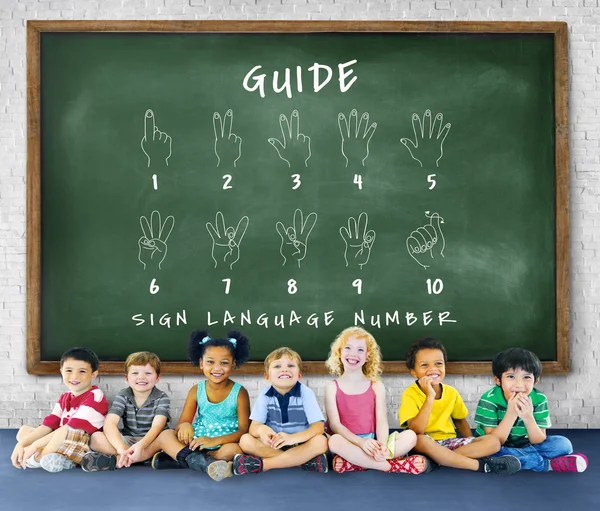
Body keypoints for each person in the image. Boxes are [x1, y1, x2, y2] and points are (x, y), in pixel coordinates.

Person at [399, 337, 521, 475]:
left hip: (449, 443)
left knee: (494, 442)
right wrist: (429, 397)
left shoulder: (451, 392)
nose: (433, 369)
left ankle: (440, 460)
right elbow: (416, 430)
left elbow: (460, 421)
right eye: (424, 365)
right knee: (419, 440)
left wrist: (471, 442)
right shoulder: (409, 394)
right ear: (414, 372)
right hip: (425, 444)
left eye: (438, 363)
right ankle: (480, 466)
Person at [325, 326, 433, 474]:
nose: (353, 354)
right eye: (348, 348)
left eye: (360, 350)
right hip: (349, 442)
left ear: (368, 356)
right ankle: (390, 466)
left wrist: (381, 446)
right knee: (334, 441)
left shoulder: (376, 386)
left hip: (373, 442)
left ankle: (357, 464)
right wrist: (361, 443)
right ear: (339, 352)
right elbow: (335, 425)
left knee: (411, 436)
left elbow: (381, 420)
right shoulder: (332, 387)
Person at [150, 329, 251, 482]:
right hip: (197, 442)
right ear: (201, 364)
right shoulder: (196, 390)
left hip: (224, 442)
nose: (217, 368)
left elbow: (244, 430)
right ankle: (204, 463)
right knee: (166, 435)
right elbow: (182, 423)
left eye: (224, 363)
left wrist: (215, 441)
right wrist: (184, 426)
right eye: (210, 362)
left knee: (234, 450)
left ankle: (186, 460)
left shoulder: (240, 392)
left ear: (233, 364)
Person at [474, 347, 588, 473]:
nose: (519, 385)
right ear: (498, 380)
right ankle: (546, 464)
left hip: (525, 444)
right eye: (511, 376)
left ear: (536, 380)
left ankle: (512, 460)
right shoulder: (489, 399)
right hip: (495, 446)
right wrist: (511, 414)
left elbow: (538, 439)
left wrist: (528, 417)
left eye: (526, 377)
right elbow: (494, 440)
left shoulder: (539, 399)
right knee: (485, 452)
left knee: (563, 444)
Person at [233, 347, 328, 475]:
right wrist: (262, 430)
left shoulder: (306, 393)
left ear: (299, 375)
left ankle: (264, 465)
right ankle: (303, 462)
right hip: (274, 445)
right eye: (277, 366)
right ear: (267, 376)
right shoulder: (265, 395)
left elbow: (318, 427)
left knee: (321, 442)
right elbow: (253, 428)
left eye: (290, 365)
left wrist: (292, 438)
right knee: (245, 440)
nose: (284, 369)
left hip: (301, 443)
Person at [11, 347, 108, 473]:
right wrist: (21, 444)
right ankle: (56, 457)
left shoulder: (95, 396)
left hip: (80, 444)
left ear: (93, 375)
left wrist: (34, 445)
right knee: (24, 431)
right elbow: (50, 424)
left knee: (62, 432)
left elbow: (70, 428)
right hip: (60, 440)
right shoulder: (65, 397)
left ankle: (38, 458)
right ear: (61, 372)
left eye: (82, 371)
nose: (74, 376)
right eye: (69, 370)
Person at [80, 351, 170, 471]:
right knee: (96, 437)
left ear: (157, 378)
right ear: (127, 378)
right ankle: (136, 458)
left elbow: (157, 426)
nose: (141, 377)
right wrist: (121, 448)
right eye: (135, 373)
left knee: (169, 436)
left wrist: (141, 445)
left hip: (152, 441)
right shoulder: (123, 395)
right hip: (129, 440)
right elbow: (110, 423)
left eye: (148, 373)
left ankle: (119, 460)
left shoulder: (162, 397)